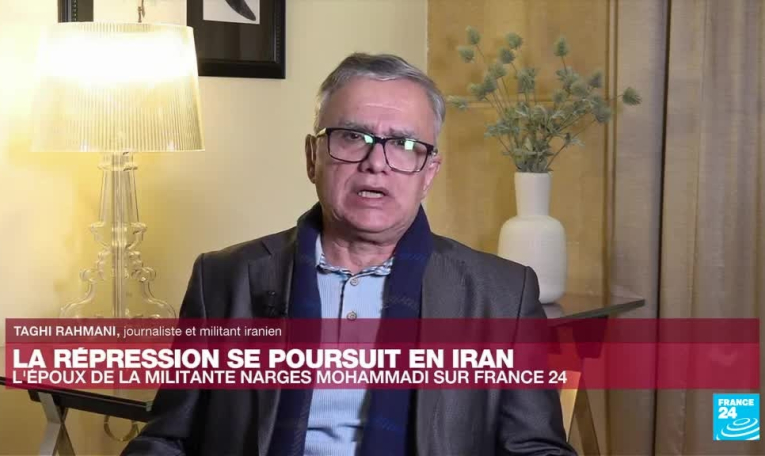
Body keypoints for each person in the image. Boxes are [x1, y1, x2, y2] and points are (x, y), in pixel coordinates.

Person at [122, 53, 575, 456]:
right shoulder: (224, 279)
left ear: (429, 173)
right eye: (352, 137)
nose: (376, 163)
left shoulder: (502, 295)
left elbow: (535, 448)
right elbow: (169, 438)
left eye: (405, 145)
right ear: (312, 157)